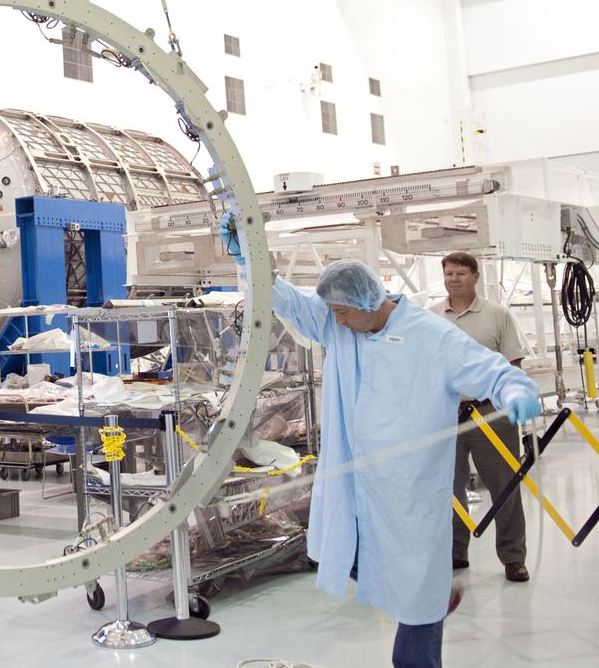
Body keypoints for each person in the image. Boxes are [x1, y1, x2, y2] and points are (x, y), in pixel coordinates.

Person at [220, 215, 541, 668]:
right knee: (346, 549)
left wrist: (516, 390)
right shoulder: (341, 322)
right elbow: (289, 301)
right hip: (352, 477)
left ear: (368, 301)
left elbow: (491, 369)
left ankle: (420, 648)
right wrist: (251, 258)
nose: (334, 322)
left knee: (418, 585)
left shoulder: (431, 336)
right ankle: (425, 600)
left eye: (342, 313)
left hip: (407, 486)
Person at [428, 252, 531, 582]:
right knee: (449, 488)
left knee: (505, 486)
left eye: (460, 273)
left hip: (490, 412)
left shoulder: (497, 315)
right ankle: (455, 552)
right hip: (446, 414)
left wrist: (510, 398)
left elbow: (513, 364)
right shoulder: (430, 317)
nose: (453, 279)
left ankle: (513, 558)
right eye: (448, 274)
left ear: (475, 276)